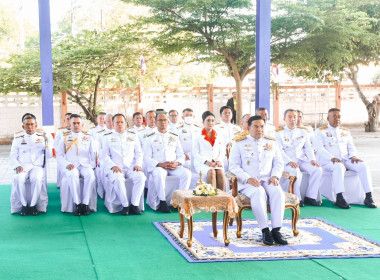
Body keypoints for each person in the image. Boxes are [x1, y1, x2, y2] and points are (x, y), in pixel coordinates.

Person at [229, 116, 287, 246]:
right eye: (256, 126)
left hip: (267, 179)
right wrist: (247, 178)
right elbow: (233, 166)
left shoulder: (272, 142)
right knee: (258, 192)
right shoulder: (239, 143)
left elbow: (279, 163)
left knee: (278, 192)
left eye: (262, 126)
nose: (259, 129)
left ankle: (276, 230)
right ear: (248, 127)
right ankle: (265, 230)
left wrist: (275, 176)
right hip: (248, 182)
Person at [314, 108, 376, 209]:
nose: (337, 118)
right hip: (328, 162)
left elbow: (351, 146)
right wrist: (332, 158)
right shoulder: (320, 132)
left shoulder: (345, 131)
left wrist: (353, 156)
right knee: (339, 167)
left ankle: (368, 196)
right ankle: (339, 197)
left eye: (339, 116)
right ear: (328, 118)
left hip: (346, 159)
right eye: (334, 116)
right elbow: (319, 148)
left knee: (363, 166)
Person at [143, 112, 191, 213]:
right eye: (160, 120)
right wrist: (160, 164)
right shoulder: (150, 137)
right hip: (159, 166)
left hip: (173, 166)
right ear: (155, 122)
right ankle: (163, 201)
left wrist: (177, 163)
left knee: (187, 173)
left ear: (167, 122)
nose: (163, 122)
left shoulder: (174, 136)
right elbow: (146, 157)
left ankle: (180, 200)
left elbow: (181, 154)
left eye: (165, 120)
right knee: (159, 174)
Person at [275, 109, 322, 206]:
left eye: (295, 117)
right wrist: (289, 161)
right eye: (290, 117)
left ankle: (311, 196)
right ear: (284, 119)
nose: (293, 119)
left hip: (301, 160)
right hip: (287, 162)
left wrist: (312, 159)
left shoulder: (303, 132)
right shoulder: (279, 133)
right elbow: (279, 151)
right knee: (296, 172)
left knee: (317, 169)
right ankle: (297, 198)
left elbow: (308, 147)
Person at [101, 114, 146, 215]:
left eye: (122, 122)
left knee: (141, 177)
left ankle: (134, 205)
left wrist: (138, 164)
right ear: (113, 124)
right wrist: (113, 166)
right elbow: (104, 155)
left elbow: (139, 153)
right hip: (116, 167)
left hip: (131, 167)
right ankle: (125, 205)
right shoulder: (107, 137)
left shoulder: (133, 135)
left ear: (126, 123)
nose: (120, 124)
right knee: (117, 178)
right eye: (117, 122)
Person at [9, 116, 53, 216]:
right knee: (18, 178)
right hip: (23, 166)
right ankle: (24, 205)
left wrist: (48, 145)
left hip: (37, 166)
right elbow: (12, 155)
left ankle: (33, 205)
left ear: (36, 125)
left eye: (32, 124)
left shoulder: (42, 137)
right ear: (23, 126)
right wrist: (17, 166)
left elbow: (49, 156)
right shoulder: (18, 138)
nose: (30, 127)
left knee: (37, 179)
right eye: (27, 125)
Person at [56, 114, 98, 216]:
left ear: (82, 124)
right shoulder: (65, 137)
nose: (76, 125)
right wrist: (67, 164)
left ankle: (86, 204)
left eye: (78, 123)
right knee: (73, 175)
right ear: (70, 124)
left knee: (90, 175)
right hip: (71, 165)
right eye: (74, 123)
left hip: (84, 165)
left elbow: (94, 154)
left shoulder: (88, 137)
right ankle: (77, 203)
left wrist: (92, 165)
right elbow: (59, 155)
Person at [193, 111, 226, 190]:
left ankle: (222, 197)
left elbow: (222, 150)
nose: (211, 122)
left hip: (215, 162)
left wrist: (218, 160)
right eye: (208, 120)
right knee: (211, 172)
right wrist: (206, 162)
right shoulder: (197, 135)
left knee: (220, 172)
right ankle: (213, 198)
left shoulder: (219, 134)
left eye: (212, 120)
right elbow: (195, 153)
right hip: (202, 163)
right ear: (203, 122)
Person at [94, 113, 114, 199]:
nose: (111, 123)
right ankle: (106, 194)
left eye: (112, 121)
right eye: (108, 121)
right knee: (103, 167)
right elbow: (98, 150)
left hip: (119, 160)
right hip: (104, 159)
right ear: (105, 122)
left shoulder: (121, 133)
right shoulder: (100, 134)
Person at [54, 112, 72, 189]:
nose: (69, 120)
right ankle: (60, 184)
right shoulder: (60, 131)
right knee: (61, 168)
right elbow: (56, 144)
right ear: (65, 120)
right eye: (67, 119)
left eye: (71, 118)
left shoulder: (78, 130)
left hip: (72, 154)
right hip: (63, 154)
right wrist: (60, 153)